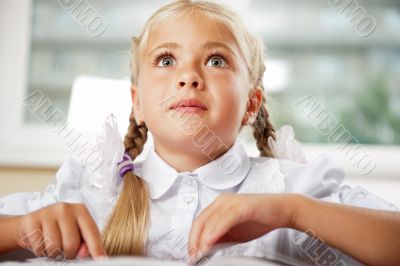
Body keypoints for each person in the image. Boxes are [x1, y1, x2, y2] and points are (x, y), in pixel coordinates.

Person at [0, 0, 399, 265]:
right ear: (137, 102)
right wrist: (20, 229)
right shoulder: (89, 191)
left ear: (251, 104)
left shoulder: (296, 190)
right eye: (166, 59)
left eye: (215, 60)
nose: (188, 77)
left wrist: (294, 212)